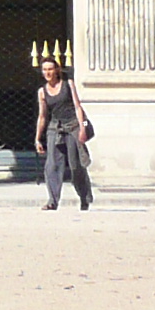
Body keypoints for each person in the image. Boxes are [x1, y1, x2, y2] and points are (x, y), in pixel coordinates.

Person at [35, 57, 93, 211]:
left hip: (73, 126)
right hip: (55, 127)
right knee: (52, 165)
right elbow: (42, 116)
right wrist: (37, 138)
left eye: (50, 69)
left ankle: (84, 198)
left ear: (56, 70)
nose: (47, 72)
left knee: (76, 166)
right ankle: (52, 201)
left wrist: (82, 128)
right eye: (45, 69)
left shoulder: (68, 85)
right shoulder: (42, 92)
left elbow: (77, 107)